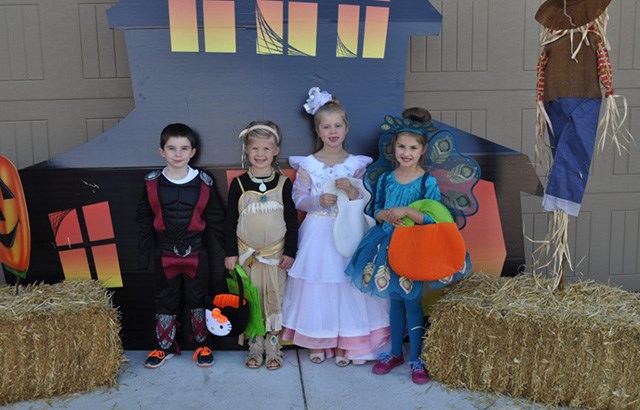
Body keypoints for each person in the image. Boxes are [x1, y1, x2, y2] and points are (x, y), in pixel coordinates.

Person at [346, 114, 469, 384]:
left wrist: (408, 212)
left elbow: (435, 219)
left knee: (412, 301)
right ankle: (394, 353)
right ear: (394, 148)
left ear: (423, 149)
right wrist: (385, 215)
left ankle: (416, 358)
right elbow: (375, 209)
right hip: (387, 245)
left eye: (413, 148)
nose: (406, 153)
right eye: (402, 147)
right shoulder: (387, 179)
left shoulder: (427, 183)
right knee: (395, 300)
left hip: (414, 249)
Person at [281, 87, 390, 367]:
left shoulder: (356, 165)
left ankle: (347, 342)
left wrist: (352, 192)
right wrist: (317, 201)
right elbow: (298, 199)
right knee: (319, 287)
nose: (333, 131)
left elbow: (367, 200)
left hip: (349, 231)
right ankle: (320, 341)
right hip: (318, 233)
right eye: (326, 126)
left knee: (348, 286)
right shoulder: (308, 165)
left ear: (346, 127)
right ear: (317, 131)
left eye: (337, 126)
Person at [136, 123, 225, 369]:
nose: (178, 154)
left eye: (184, 148)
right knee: (165, 299)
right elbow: (143, 219)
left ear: (192, 152)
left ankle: (202, 345)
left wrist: (231, 252)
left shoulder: (204, 182)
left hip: (196, 253)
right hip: (164, 252)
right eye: (172, 148)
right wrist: (143, 253)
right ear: (161, 151)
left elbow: (217, 219)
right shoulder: (151, 183)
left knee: (198, 299)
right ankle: (164, 346)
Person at [224, 120, 298, 370]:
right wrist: (230, 253)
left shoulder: (283, 183)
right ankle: (254, 346)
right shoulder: (240, 184)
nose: (260, 154)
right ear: (247, 150)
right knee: (253, 299)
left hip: (275, 257)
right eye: (255, 149)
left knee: (274, 299)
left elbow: (291, 220)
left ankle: (274, 348)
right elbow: (229, 220)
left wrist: (290, 252)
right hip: (248, 257)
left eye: (266, 149)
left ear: (276, 151)